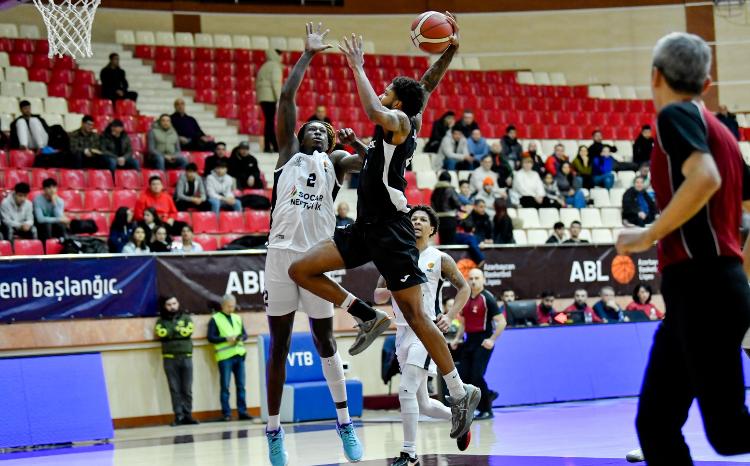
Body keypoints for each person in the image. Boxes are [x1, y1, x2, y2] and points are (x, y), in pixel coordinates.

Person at [287, 16, 481, 442]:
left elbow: (380, 107)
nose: (384, 91)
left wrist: (357, 67)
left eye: (389, 89)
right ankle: (367, 315)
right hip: (365, 227)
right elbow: (426, 84)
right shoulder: (390, 128)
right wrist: (449, 50)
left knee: (415, 314)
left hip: (392, 231)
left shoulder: (400, 122)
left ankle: (458, 390)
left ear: (398, 101)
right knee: (301, 269)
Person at [616, 32, 750, 466]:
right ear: (707, 83)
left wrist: (647, 235)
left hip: (702, 287)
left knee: (728, 433)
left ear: (655, 75)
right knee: (656, 423)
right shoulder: (723, 133)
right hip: (710, 289)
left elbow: (705, 177)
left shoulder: (674, 115)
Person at [261, 24, 367, 465]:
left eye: (325, 130)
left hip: (316, 260)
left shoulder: (335, 162)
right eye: (313, 128)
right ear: (300, 134)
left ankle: (344, 423)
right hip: (280, 255)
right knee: (280, 345)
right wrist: (307, 54)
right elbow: (286, 99)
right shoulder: (288, 153)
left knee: (325, 341)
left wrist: (357, 142)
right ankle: (273, 431)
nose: (319, 132)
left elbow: (370, 163)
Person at [373, 206, 472, 464]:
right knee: (424, 404)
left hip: (426, 332)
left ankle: (409, 453)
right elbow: (377, 296)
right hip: (402, 333)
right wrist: (393, 286)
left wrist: (450, 315)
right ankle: (460, 418)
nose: (416, 222)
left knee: (405, 390)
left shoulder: (439, 258)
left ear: (433, 229)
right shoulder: (395, 256)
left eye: (422, 220)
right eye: (413, 219)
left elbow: (464, 288)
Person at [450, 268, 506, 420]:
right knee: (464, 375)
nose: (473, 281)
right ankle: (489, 394)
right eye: (471, 278)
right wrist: (457, 338)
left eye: (477, 278)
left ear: (483, 280)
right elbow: (463, 323)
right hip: (469, 340)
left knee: (476, 376)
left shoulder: (487, 298)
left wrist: (492, 339)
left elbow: (501, 322)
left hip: (483, 341)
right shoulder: (465, 297)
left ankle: (487, 410)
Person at [206, 294, 251, 421]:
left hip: (239, 355)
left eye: (233, 306)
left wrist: (239, 338)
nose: (231, 308)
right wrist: (225, 339)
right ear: (223, 306)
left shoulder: (237, 318)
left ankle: (242, 412)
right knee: (225, 386)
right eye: (229, 306)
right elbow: (210, 338)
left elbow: (245, 335)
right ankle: (227, 413)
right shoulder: (215, 319)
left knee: (241, 386)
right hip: (225, 357)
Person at [154, 296, 197, 426]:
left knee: (187, 389)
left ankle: (188, 415)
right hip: (170, 359)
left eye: (174, 303)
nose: (172, 307)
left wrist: (171, 331)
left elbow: (187, 332)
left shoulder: (186, 318)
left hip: (186, 357)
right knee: (174, 389)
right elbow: (161, 333)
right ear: (164, 306)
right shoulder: (160, 321)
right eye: (169, 304)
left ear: (178, 304)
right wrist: (176, 329)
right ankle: (179, 416)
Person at [256, 48, 283, 152]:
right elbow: (276, 83)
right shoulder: (275, 66)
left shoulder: (263, 67)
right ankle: (271, 146)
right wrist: (279, 98)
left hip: (263, 97)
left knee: (268, 122)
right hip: (270, 97)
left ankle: (270, 145)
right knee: (270, 122)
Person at [431, 171, 462, 244]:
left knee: (443, 241)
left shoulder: (435, 191)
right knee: (451, 242)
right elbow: (457, 203)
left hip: (439, 219)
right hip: (450, 218)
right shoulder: (450, 189)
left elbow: (432, 205)